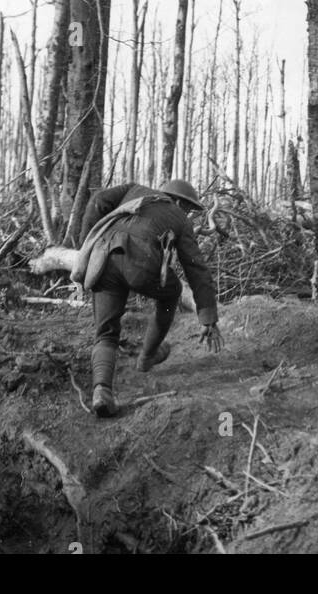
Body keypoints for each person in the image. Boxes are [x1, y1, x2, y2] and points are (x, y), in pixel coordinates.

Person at [76, 178, 222, 418]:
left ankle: (102, 391)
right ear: (177, 201)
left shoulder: (133, 190)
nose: (187, 212)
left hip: (104, 259)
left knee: (105, 333)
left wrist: (85, 244)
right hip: (140, 265)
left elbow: (98, 200)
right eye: (187, 207)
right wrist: (208, 316)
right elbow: (197, 269)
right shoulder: (180, 218)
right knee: (172, 292)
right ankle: (147, 356)